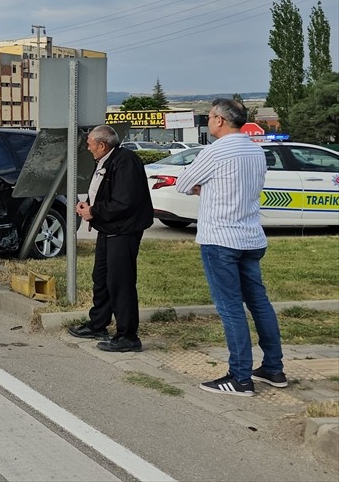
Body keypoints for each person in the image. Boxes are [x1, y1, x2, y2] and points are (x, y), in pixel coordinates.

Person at [176, 98, 286, 397]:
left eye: (211, 116)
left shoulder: (215, 151)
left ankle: (240, 377)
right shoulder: (255, 150)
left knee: (230, 308)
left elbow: (183, 183)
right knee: (259, 303)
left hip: (220, 238)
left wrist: (204, 187)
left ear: (220, 120)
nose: (209, 121)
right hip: (250, 236)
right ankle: (273, 368)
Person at [71, 125, 153, 353]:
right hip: (107, 230)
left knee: (121, 283)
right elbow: (102, 191)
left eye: (90, 144)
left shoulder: (126, 161)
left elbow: (124, 201)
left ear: (102, 145)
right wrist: (88, 206)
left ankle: (128, 336)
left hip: (123, 232)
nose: (88, 148)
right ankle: (98, 324)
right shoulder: (105, 160)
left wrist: (94, 211)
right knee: (101, 279)